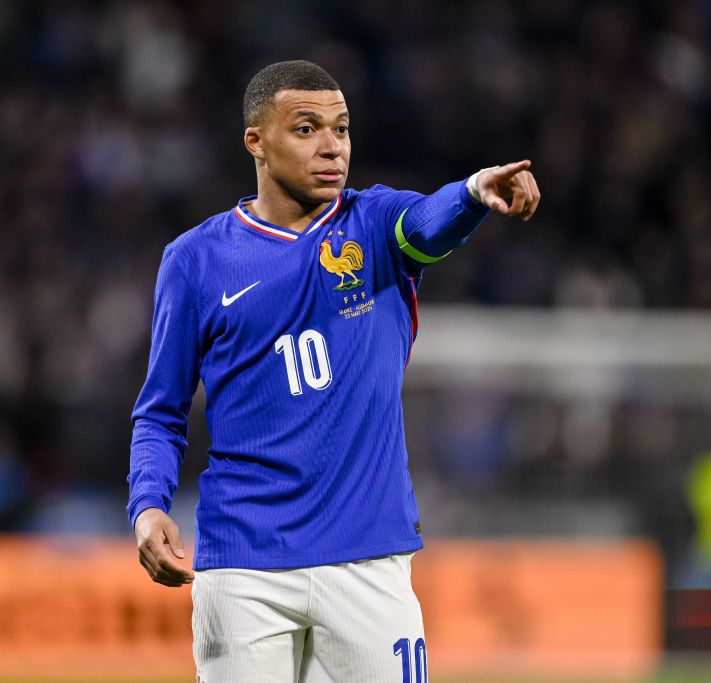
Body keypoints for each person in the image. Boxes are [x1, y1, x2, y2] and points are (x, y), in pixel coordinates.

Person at [128, 60, 540, 681]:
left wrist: (475, 190)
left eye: (342, 129)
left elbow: (429, 223)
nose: (332, 147)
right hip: (244, 566)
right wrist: (148, 504)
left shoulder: (374, 224)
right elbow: (160, 411)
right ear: (256, 142)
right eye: (307, 128)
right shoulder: (194, 261)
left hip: (367, 558)